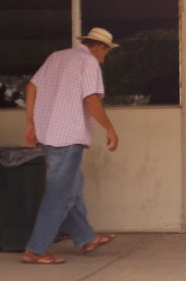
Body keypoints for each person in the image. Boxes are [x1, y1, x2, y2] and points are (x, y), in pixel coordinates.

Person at [21, 27, 120, 264]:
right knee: (60, 194)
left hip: (48, 135)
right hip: (68, 138)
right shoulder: (88, 62)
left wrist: (32, 123)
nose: (104, 57)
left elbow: (31, 87)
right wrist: (109, 128)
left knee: (72, 187)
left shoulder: (56, 56)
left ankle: (87, 238)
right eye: (106, 52)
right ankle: (35, 250)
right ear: (100, 47)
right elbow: (91, 98)